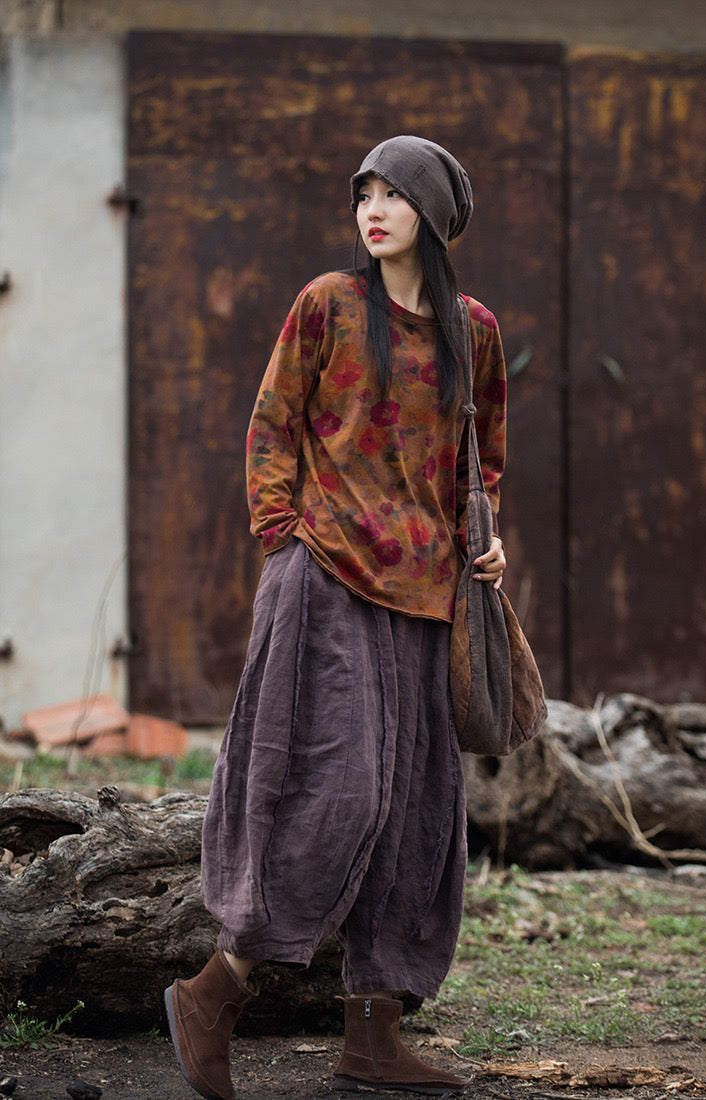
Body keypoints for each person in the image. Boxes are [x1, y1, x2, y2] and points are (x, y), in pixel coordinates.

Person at [164, 135, 507, 1100]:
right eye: (365, 193)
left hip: (430, 594)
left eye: (395, 193)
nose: (374, 209)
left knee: (416, 811)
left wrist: (486, 540)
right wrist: (282, 537)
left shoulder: (473, 331)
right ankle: (215, 991)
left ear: (433, 215)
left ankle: (373, 1034)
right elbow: (272, 423)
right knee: (335, 790)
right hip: (326, 578)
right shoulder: (327, 304)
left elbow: (481, 459)